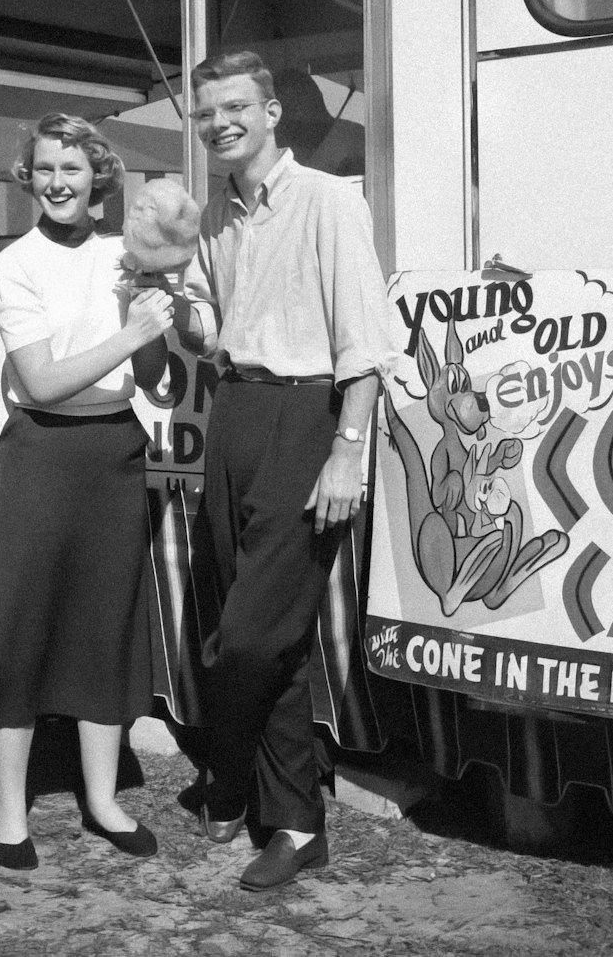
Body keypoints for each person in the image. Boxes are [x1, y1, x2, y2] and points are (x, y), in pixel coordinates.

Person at [172, 50, 395, 891]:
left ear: (271, 114)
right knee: (276, 642)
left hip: (306, 418)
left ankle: (228, 774)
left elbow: (365, 340)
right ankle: (298, 824)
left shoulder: (331, 201)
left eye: (235, 106)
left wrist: (347, 449)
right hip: (232, 413)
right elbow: (213, 331)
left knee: (250, 637)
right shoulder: (216, 217)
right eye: (206, 113)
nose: (220, 122)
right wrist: (174, 312)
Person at [0, 113, 174, 869]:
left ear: (99, 179)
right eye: (46, 168)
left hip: (114, 451)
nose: (58, 183)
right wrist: (127, 332)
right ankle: (10, 812)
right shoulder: (14, 264)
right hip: (41, 455)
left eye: (73, 170)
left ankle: (103, 801)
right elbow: (43, 381)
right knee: (22, 624)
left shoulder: (126, 256)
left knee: (103, 624)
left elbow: (152, 379)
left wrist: (151, 322)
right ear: (28, 177)